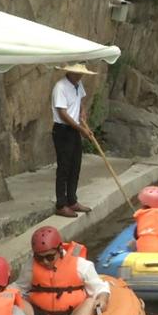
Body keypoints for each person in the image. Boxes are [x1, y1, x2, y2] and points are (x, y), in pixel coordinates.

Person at [13, 226, 110, 315]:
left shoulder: (81, 265)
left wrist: (102, 299)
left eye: (49, 257)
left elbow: (100, 288)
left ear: (59, 249)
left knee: (89, 303)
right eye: (39, 258)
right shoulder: (31, 266)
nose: (44, 261)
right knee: (14, 301)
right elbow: (19, 288)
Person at [51, 63, 96, 218]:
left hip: (75, 129)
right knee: (64, 167)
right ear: (69, 72)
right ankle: (61, 204)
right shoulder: (60, 87)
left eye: (81, 74)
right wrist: (80, 129)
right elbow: (62, 113)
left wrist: (83, 113)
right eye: (77, 73)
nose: (80, 76)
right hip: (63, 130)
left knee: (75, 165)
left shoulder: (78, 84)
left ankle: (72, 200)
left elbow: (80, 102)